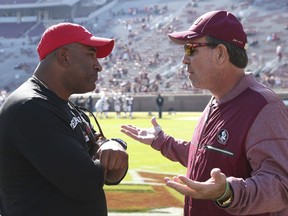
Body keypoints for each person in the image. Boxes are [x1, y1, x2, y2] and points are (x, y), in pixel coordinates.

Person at [121, 10, 288, 216]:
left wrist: (228, 192)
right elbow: (208, 156)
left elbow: (281, 186)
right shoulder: (217, 99)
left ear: (220, 53)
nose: (184, 60)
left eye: (191, 49)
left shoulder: (264, 106)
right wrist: (163, 142)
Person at [0, 22, 129, 216]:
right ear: (65, 57)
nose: (99, 66)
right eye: (91, 55)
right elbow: (86, 181)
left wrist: (114, 145)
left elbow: (100, 148)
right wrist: (106, 155)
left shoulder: (62, 103)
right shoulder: (31, 107)